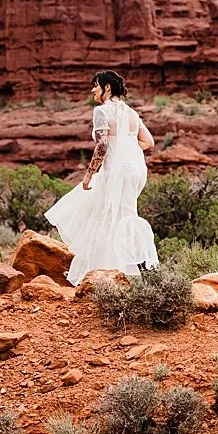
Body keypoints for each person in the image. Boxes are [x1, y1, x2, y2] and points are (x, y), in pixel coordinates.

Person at [45, 70, 159, 282]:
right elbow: (148, 142)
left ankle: (101, 273)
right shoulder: (131, 113)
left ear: (107, 87)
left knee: (104, 216)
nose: (92, 90)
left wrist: (89, 175)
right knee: (123, 216)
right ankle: (137, 271)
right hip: (136, 172)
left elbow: (103, 145)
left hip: (116, 172)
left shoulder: (102, 111)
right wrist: (126, 150)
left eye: (95, 85)